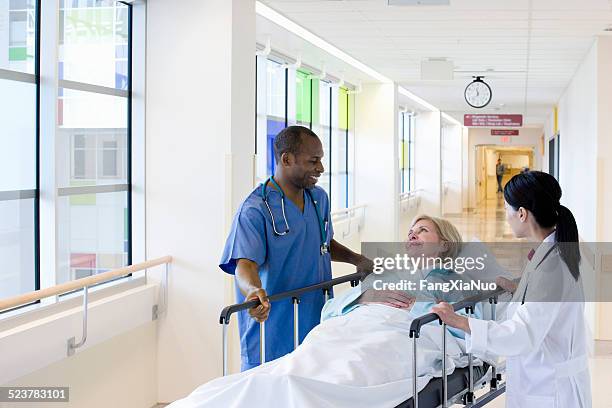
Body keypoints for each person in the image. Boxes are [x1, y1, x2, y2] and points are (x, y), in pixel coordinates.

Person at [170, 216, 480, 408]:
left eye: (423, 230)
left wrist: (431, 310)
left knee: (351, 365)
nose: (412, 234)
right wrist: (366, 296)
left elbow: (469, 327)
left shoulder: (456, 279)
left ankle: (295, 390)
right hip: (348, 329)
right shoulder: (383, 274)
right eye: (410, 230)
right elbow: (331, 310)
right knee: (293, 367)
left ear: (444, 245)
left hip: (399, 335)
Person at [219, 125, 373, 371]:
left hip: (315, 313)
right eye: (314, 161)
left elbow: (322, 241)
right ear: (286, 159)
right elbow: (244, 263)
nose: (321, 169)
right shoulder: (256, 209)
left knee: (313, 381)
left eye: (321, 161)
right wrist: (253, 290)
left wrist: (356, 259)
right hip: (274, 324)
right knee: (269, 391)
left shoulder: (317, 198)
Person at [432, 171, 591, 407]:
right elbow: (551, 303)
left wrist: (459, 321)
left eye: (507, 210)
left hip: (551, 388)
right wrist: (520, 288)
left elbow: (521, 334)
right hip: (545, 377)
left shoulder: (551, 266)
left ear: (522, 213)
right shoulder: (551, 251)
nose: (507, 217)